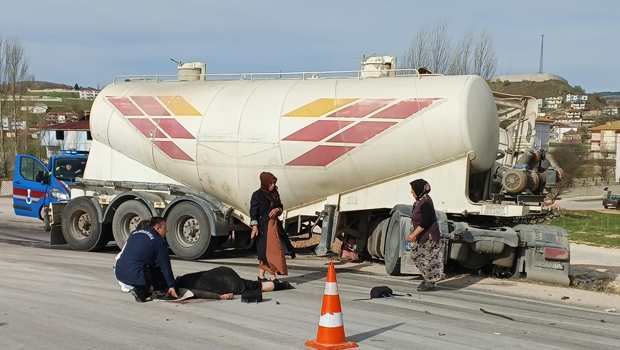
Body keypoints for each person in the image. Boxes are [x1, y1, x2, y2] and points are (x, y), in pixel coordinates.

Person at [114, 217, 178, 302]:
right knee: (162, 281)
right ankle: (143, 289)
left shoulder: (134, 233)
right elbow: (165, 266)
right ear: (158, 229)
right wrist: (171, 285)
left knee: (151, 267)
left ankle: (140, 286)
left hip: (119, 273)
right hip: (134, 275)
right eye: (165, 228)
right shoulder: (159, 241)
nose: (166, 231)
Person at [250, 172, 295, 282]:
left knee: (268, 252)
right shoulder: (257, 195)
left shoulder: (274, 194)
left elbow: (280, 206)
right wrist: (255, 226)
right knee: (270, 252)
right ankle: (273, 276)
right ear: (265, 183)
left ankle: (261, 276)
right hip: (263, 228)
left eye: (274, 183)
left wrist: (277, 210)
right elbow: (253, 212)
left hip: (274, 226)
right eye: (271, 183)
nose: (273, 185)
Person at [405, 179, 443, 292]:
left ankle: (430, 281)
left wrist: (413, 235)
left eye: (412, 189)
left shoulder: (425, 202)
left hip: (428, 236)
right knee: (416, 255)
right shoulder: (420, 201)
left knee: (427, 259)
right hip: (423, 235)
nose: (411, 192)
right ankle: (428, 279)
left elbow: (425, 222)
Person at [174, 266, 294, 300]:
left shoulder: (183, 289)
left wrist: (220, 296)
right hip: (223, 271)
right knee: (255, 285)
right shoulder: (183, 278)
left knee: (259, 287)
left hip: (228, 284)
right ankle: (283, 285)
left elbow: (201, 293)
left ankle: (284, 285)